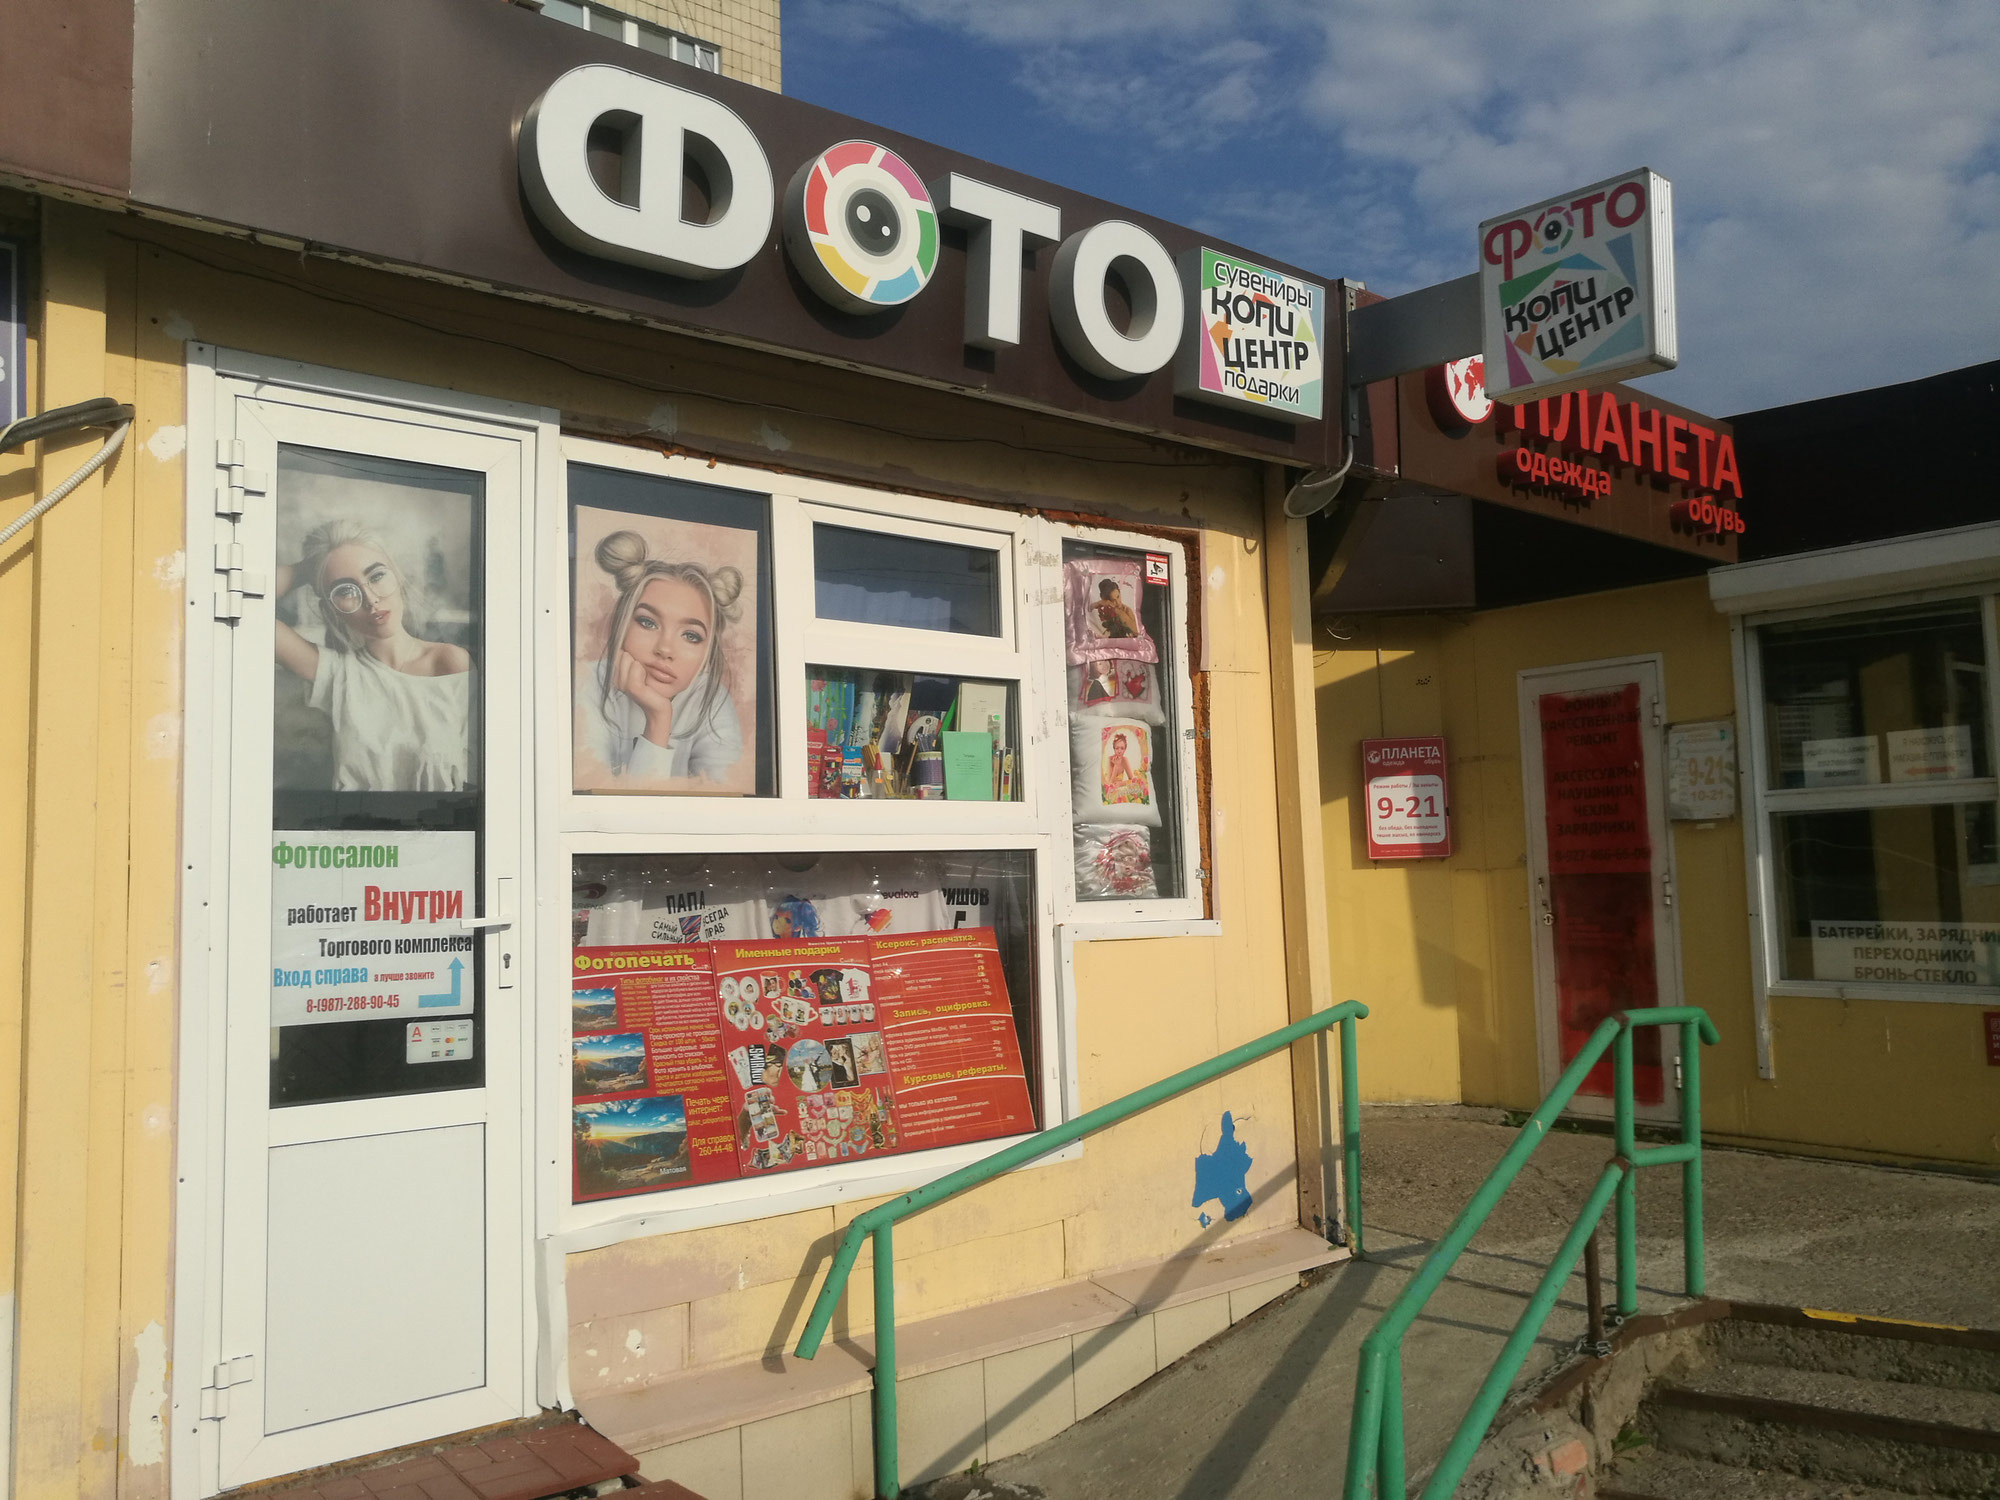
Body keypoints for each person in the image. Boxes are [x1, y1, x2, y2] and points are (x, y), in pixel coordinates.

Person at [274, 519, 473, 791]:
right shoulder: (337, 674)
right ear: (331, 608)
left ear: (397, 577)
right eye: (345, 590)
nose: (370, 600)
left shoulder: (451, 663)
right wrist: (310, 567)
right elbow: (251, 607)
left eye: (377, 576)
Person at [576, 529, 745, 785]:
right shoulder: (585, 682)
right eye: (648, 622)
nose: (665, 649)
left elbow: (725, 793)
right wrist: (658, 721)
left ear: (708, 652)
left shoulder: (711, 699)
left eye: (690, 636)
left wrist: (658, 717)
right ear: (621, 625)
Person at [1104, 730, 1149, 805]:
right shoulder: (1109, 760)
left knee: (1137, 788)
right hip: (1111, 792)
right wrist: (1116, 766)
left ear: (1125, 749)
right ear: (1114, 748)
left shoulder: (1124, 760)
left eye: (1122, 748)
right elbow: (1109, 784)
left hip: (1120, 790)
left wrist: (1121, 783)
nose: (1119, 751)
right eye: (1117, 748)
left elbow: (1132, 779)